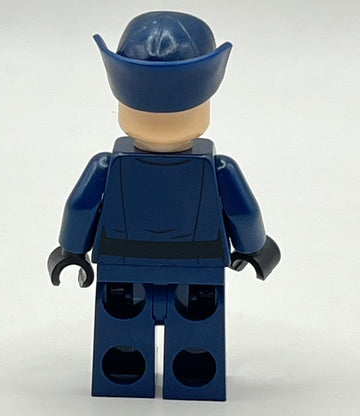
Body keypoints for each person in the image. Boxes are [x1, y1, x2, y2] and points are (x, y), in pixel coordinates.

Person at [48, 11, 280, 401]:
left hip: (127, 262)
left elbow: (80, 209)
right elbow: (244, 214)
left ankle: (130, 378)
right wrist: (255, 248)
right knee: (190, 335)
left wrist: (70, 250)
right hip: (195, 264)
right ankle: (187, 380)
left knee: (128, 332)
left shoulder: (108, 165)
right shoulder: (217, 168)